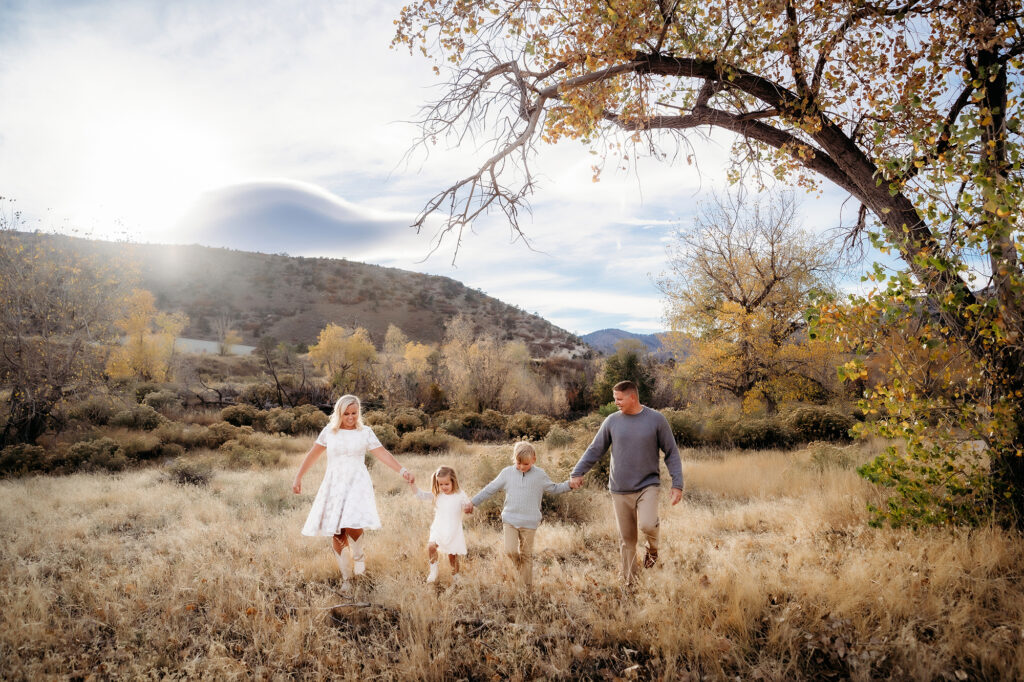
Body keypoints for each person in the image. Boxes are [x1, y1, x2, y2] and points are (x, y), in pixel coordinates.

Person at [292, 394, 415, 594]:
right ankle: (346, 579)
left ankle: (358, 556)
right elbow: (312, 455)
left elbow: (382, 453)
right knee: (337, 530)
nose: (350, 417)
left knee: (353, 524)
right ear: (339, 413)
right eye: (346, 413)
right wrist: (298, 478)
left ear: (359, 413)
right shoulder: (329, 432)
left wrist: (403, 471)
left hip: (357, 483)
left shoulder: (365, 432)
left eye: (354, 413)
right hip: (334, 484)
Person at [570, 380, 683, 584]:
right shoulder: (612, 421)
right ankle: (630, 584)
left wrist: (677, 484)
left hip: (647, 485)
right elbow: (595, 449)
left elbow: (671, 452)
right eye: (615, 399)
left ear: (633, 397)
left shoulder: (656, 420)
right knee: (627, 540)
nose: (616, 403)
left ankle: (653, 547)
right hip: (619, 489)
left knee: (648, 524)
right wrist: (577, 472)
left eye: (619, 399)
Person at [464, 441, 572, 589]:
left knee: (527, 555)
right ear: (514, 459)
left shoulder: (540, 475)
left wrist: (570, 485)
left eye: (526, 464)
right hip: (510, 520)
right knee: (510, 551)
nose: (521, 467)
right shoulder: (507, 473)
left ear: (534, 459)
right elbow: (490, 489)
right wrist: (473, 502)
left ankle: (526, 589)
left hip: (530, 522)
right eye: (518, 463)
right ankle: (521, 571)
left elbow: (554, 488)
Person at [409, 465, 470, 584]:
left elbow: (467, 505)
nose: (443, 487)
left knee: (452, 556)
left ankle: (456, 575)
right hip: (438, 528)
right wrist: (413, 484)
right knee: (431, 547)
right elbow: (421, 495)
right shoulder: (437, 494)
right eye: (440, 484)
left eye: (446, 484)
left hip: (453, 530)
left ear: (453, 481)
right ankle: (433, 570)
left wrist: (468, 508)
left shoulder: (459, 494)